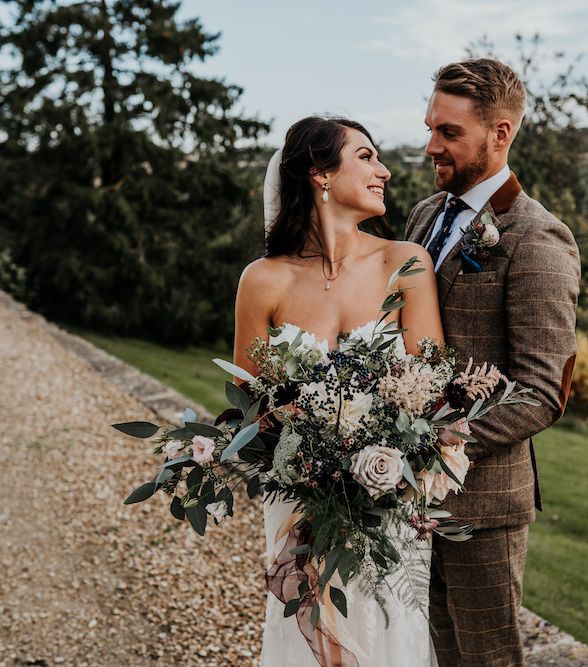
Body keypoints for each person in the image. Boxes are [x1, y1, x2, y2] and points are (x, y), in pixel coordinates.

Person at [233, 116, 442, 666]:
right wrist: (305, 434)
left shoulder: (406, 264)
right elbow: (250, 407)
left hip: (388, 498)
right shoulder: (263, 279)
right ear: (320, 174)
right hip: (298, 499)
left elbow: (430, 393)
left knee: (389, 635)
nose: (386, 171)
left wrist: (373, 450)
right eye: (367, 157)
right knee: (304, 639)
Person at [405, 59, 581, 666]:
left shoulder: (538, 239)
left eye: (449, 132)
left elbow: (541, 391)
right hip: (405, 499)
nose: (431, 145)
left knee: (484, 660)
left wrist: (432, 443)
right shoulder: (425, 215)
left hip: (482, 507)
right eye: (431, 127)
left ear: (500, 133)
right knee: (427, 650)